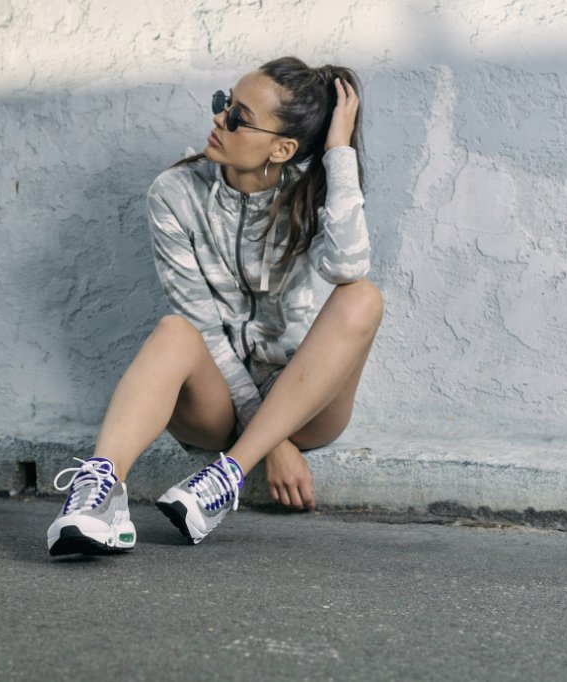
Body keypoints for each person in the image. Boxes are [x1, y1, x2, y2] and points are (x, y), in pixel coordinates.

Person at [46, 56, 383, 557]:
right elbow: (202, 327)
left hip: (305, 405)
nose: (219, 120)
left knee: (363, 298)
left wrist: (338, 153)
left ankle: (225, 477)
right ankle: (99, 496)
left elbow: (349, 265)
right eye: (224, 103)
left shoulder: (312, 198)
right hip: (217, 405)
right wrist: (273, 444)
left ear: (283, 148)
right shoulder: (176, 194)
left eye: (239, 117)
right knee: (174, 330)